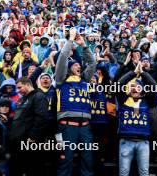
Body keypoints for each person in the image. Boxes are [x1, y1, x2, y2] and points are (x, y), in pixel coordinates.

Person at [55, 28, 96, 176]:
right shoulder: (61, 79)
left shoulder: (84, 80)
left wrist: (84, 45)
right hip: (66, 126)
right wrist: (70, 40)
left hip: (85, 127)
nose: (79, 65)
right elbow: (62, 58)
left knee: (88, 160)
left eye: (79, 65)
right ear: (68, 68)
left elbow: (92, 63)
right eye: (75, 65)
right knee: (65, 159)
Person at [117, 62, 157, 176]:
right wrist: (133, 73)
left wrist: (143, 73)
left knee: (144, 173)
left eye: (138, 87)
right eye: (132, 87)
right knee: (123, 173)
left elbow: (154, 85)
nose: (135, 89)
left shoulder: (147, 101)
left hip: (143, 142)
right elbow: (119, 83)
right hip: (126, 141)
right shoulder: (123, 100)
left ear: (142, 89)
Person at [8, 77, 49, 176]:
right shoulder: (22, 99)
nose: (18, 90)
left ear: (27, 85)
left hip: (29, 141)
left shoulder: (39, 96)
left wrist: (33, 136)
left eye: (20, 87)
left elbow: (41, 118)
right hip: (17, 141)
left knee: (32, 168)